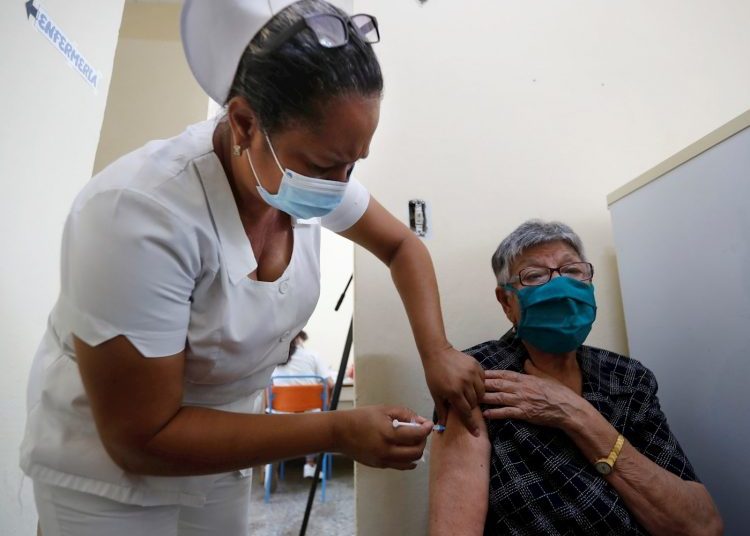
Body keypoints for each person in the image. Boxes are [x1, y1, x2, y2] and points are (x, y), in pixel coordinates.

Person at [19, 1, 484, 534]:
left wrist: (438, 351)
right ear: (243, 122)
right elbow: (139, 437)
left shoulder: (303, 172)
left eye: (354, 163)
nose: (341, 184)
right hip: (106, 480)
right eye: (325, 165)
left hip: (221, 455)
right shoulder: (138, 214)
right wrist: (334, 431)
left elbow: (403, 247)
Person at [428, 220, 723, 535]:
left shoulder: (627, 379)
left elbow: (702, 526)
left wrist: (576, 414)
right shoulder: (479, 376)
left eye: (572, 271)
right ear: (507, 302)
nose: (559, 286)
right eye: (535, 276)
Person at [272, 330, 334, 477]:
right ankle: (310, 464)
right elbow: (330, 384)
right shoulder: (313, 356)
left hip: (280, 418)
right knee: (317, 419)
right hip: (310, 420)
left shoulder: (275, 360)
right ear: (299, 339)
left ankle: (271, 463)